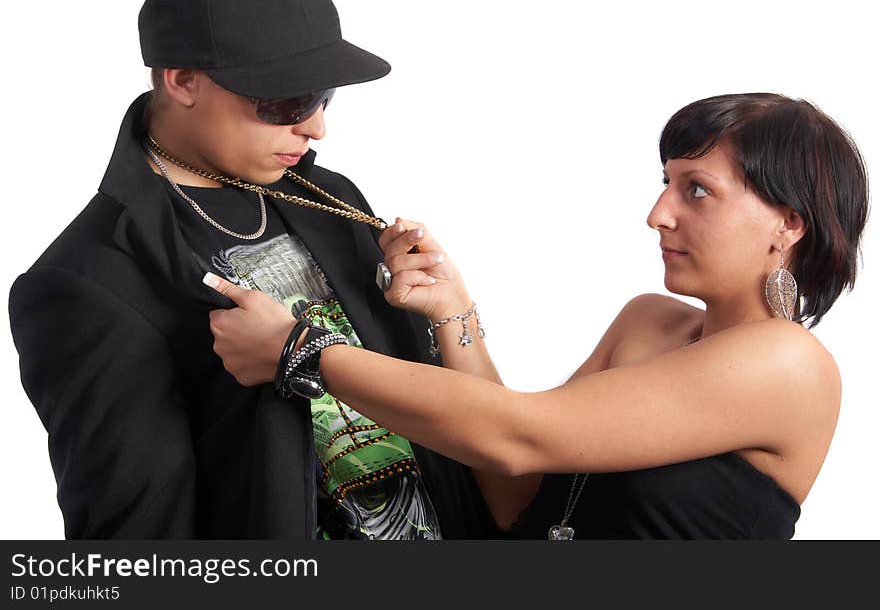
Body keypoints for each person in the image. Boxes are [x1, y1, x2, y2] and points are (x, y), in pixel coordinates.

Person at [8, 0, 497, 540]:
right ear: (183, 80)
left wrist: (442, 315)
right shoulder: (86, 280)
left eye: (324, 95)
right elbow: (136, 543)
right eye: (287, 101)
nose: (317, 127)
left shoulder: (333, 199)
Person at [207, 92, 868, 539]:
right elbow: (516, 486)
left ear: (787, 224)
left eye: (697, 189)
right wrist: (452, 310)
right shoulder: (646, 322)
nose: (658, 213)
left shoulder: (790, 363)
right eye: (665, 182)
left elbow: (516, 435)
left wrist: (304, 352)